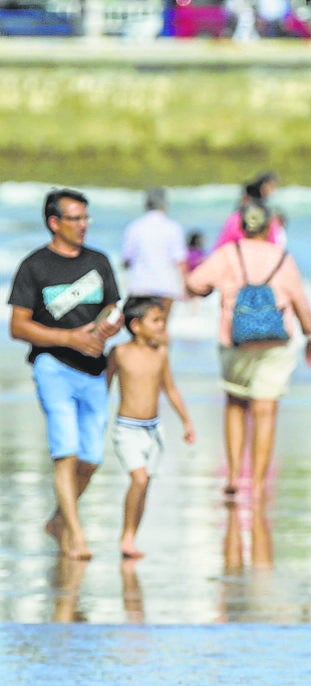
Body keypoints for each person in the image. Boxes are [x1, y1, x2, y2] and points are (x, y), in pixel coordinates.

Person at [7, 188, 123, 561]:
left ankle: (58, 519)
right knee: (66, 453)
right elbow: (18, 326)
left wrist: (103, 329)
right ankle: (76, 537)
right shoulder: (34, 267)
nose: (84, 225)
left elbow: (110, 307)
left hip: (93, 369)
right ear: (54, 223)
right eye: (76, 218)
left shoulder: (99, 261)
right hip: (51, 366)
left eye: (87, 217)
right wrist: (70, 338)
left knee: (91, 459)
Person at [185, 199, 311, 502]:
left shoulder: (227, 254)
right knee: (265, 410)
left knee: (235, 404)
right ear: (271, 225)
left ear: (242, 225)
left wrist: (210, 290)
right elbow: (300, 302)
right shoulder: (283, 258)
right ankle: (257, 483)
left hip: (235, 340)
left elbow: (194, 283)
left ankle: (233, 476)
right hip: (276, 343)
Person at [105, 296, 195, 559]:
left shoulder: (161, 354)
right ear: (136, 325)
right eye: (155, 321)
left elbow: (170, 389)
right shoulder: (119, 353)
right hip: (127, 429)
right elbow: (103, 387)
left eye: (162, 321)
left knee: (145, 485)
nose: (161, 326)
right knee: (139, 478)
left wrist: (186, 421)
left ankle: (132, 534)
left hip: (153, 431)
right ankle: (126, 536)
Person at [121, 187, 189, 320]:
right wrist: (185, 286)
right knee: (161, 329)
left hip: (141, 287)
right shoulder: (173, 227)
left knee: (141, 332)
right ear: (164, 203)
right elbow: (180, 261)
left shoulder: (135, 227)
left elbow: (126, 260)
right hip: (166, 287)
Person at [213, 171, 286, 249]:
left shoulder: (236, 216)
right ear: (264, 184)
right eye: (271, 186)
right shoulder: (256, 202)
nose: (272, 190)